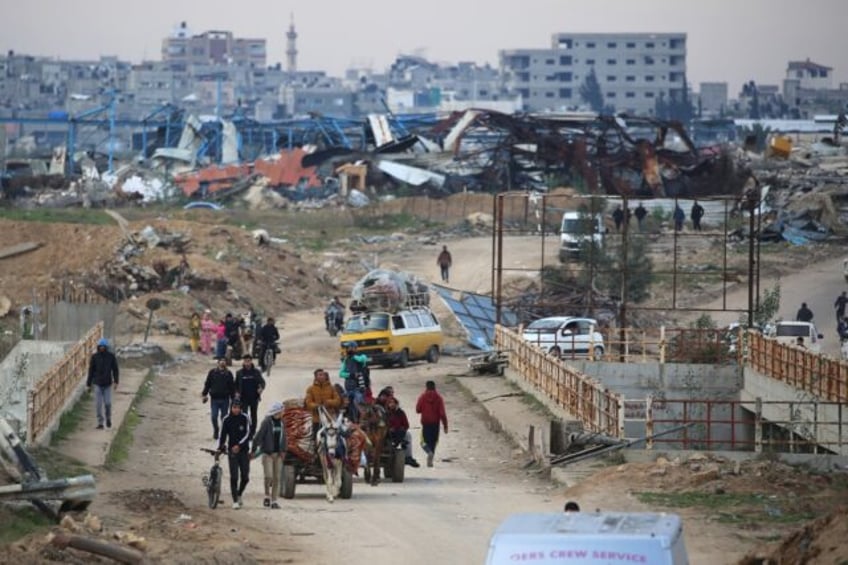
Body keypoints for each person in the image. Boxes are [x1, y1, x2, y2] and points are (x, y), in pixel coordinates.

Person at [251, 401, 287, 509]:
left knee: (277, 478)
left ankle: (274, 500)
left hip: (278, 455)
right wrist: (253, 449)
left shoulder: (282, 422)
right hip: (268, 454)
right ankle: (267, 495)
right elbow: (258, 436)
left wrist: (284, 450)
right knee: (269, 476)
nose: (283, 412)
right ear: (278, 411)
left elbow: (284, 437)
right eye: (282, 411)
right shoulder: (267, 422)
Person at [217, 398, 251, 509]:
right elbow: (222, 435)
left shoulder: (245, 418)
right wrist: (220, 447)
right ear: (231, 408)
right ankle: (235, 500)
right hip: (232, 451)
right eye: (234, 407)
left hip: (244, 450)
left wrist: (239, 445)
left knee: (245, 477)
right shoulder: (226, 419)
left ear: (241, 408)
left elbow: (248, 433)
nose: (236, 410)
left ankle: (239, 493)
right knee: (234, 476)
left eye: (237, 408)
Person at [86, 338, 119, 430]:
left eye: (103, 347)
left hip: (107, 384)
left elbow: (115, 370)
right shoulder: (95, 357)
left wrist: (116, 381)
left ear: (106, 347)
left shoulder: (111, 357)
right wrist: (89, 384)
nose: (102, 348)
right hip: (98, 384)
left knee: (108, 403)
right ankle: (100, 422)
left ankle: (108, 418)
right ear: (98, 347)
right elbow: (91, 371)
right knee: (98, 404)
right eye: (100, 347)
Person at [416, 380, 448, 468]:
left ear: (426, 387)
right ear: (435, 387)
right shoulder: (439, 398)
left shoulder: (422, 397)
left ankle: (428, 453)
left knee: (423, 442)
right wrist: (445, 426)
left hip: (426, 423)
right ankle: (431, 459)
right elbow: (442, 414)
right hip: (435, 424)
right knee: (433, 442)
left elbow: (417, 409)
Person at [201, 356, 235, 440]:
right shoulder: (212, 372)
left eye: (224, 361)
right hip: (214, 399)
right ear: (218, 362)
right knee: (214, 416)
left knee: (224, 417)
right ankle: (216, 429)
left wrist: (233, 398)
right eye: (221, 361)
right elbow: (207, 384)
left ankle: (223, 433)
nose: (223, 362)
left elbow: (232, 387)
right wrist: (204, 394)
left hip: (225, 399)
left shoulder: (229, 374)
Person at [304, 368, 342, 438]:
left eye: (323, 375)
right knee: (316, 438)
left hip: (330, 419)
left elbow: (338, 401)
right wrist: (317, 406)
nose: (322, 376)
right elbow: (308, 403)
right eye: (320, 375)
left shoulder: (332, 388)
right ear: (316, 377)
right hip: (317, 419)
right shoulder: (310, 389)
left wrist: (328, 402)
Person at [235, 354, 266, 439]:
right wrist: (237, 392)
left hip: (254, 398)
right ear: (243, 362)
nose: (247, 363)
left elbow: (262, 382)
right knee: (244, 415)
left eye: (249, 361)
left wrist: (261, 388)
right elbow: (236, 385)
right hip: (243, 398)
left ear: (251, 361)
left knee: (253, 416)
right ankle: (246, 431)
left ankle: (252, 432)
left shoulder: (256, 372)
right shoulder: (239, 373)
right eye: (245, 361)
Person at [385, 396, 420, 468]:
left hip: (399, 432)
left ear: (396, 404)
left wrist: (399, 429)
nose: (391, 404)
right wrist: (389, 428)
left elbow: (406, 425)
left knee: (408, 435)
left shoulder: (401, 413)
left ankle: (408, 457)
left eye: (392, 403)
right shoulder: (386, 414)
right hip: (388, 433)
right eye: (389, 403)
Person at [339, 341, 370, 421]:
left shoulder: (362, 356)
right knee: (344, 405)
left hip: (358, 388)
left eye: (348, 347)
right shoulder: (346, 360)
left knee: (359, 405)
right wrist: (351, 375)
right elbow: (341, 373)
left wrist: (353, 355)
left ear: (355, 348)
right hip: (348, 388)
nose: (347, 349)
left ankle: (362, 421)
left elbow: (360, 360)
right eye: (347, 348)